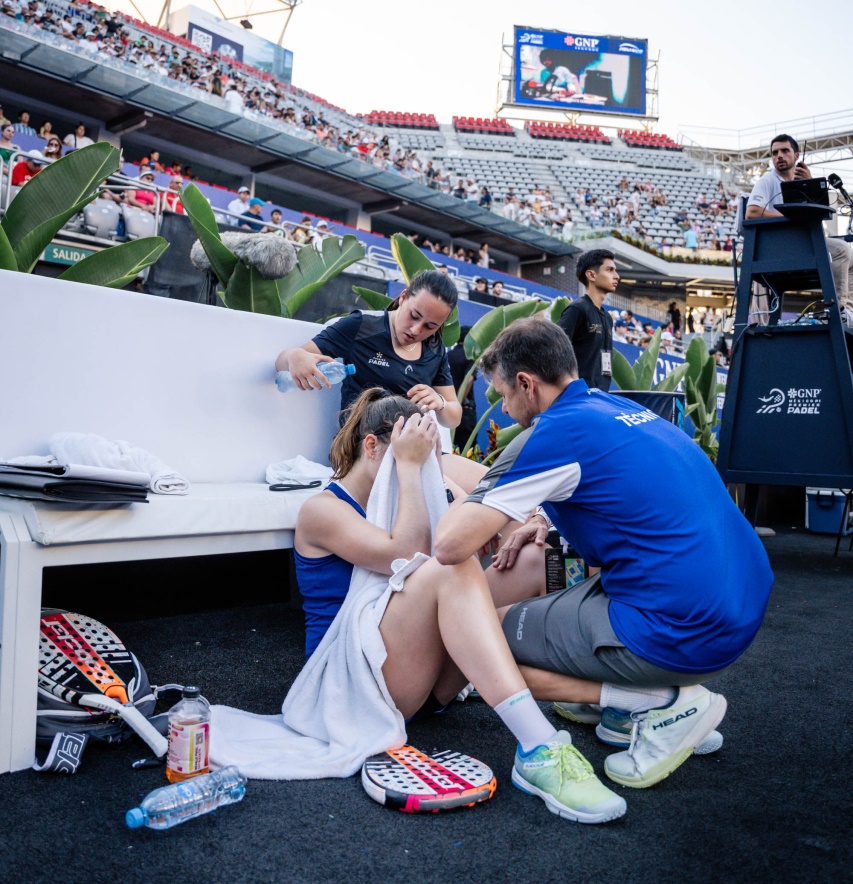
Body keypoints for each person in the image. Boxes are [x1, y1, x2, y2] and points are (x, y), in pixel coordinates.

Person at [434, 318, 774, 792]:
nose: (506, 411)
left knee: (485, 636)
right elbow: (624, 492)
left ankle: (657, 700)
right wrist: (541, 517)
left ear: (527, 384)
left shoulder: (550, 434)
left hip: (684, 632)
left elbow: (450, 546)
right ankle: (617, 703)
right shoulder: (617, 408)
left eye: (504, 396)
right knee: (561, 589)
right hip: (737, 606)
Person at [283, 386, 626, 824]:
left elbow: (510, 499)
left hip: (427, 676)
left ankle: (610, 686)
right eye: (412, 453)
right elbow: (407, 553)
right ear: (372, 446)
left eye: (429, 456)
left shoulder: (428, 473)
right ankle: (541, 746)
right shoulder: (322, 510)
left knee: (537, 556)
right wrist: (409, 469)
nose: (427, 467)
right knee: (448, 565)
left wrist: (533, 519)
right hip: (355, 683)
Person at [275, 269, 463, 433]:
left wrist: (441, 403)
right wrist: (295, 356)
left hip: (410, 446)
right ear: (403, 297)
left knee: (478, 474)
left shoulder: (434, 348)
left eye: (430, 326)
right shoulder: (362, 326)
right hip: (362, 448)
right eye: (414, 315)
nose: (416, 330)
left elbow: (454, 418)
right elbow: (282, 363)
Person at [745, 133, 852, 324]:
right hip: (781, 247)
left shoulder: (802, 183)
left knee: (850, 255)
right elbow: (752, 213)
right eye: (775, 152)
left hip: (802, 242)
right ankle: (838, 309)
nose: (779, 155)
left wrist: (810, 183)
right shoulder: (767, 180)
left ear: (796, 156)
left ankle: (847, 311)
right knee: (842, 250)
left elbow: (818, 216)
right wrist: (790, 218)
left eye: (785, 151)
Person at [556, 249, 616, 392]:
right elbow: (553, 350)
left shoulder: (607, 318)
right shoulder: (577, 309)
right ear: (591, 275)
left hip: (600, 395)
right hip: (578, 397)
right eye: (610, 270)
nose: (617, 276)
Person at [448, 326, 478, 449]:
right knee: (467, 450)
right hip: (463, 411)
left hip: (446, 411)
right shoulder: (470, 356)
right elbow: (468, 380)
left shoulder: (447, 355)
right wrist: (458, 403)